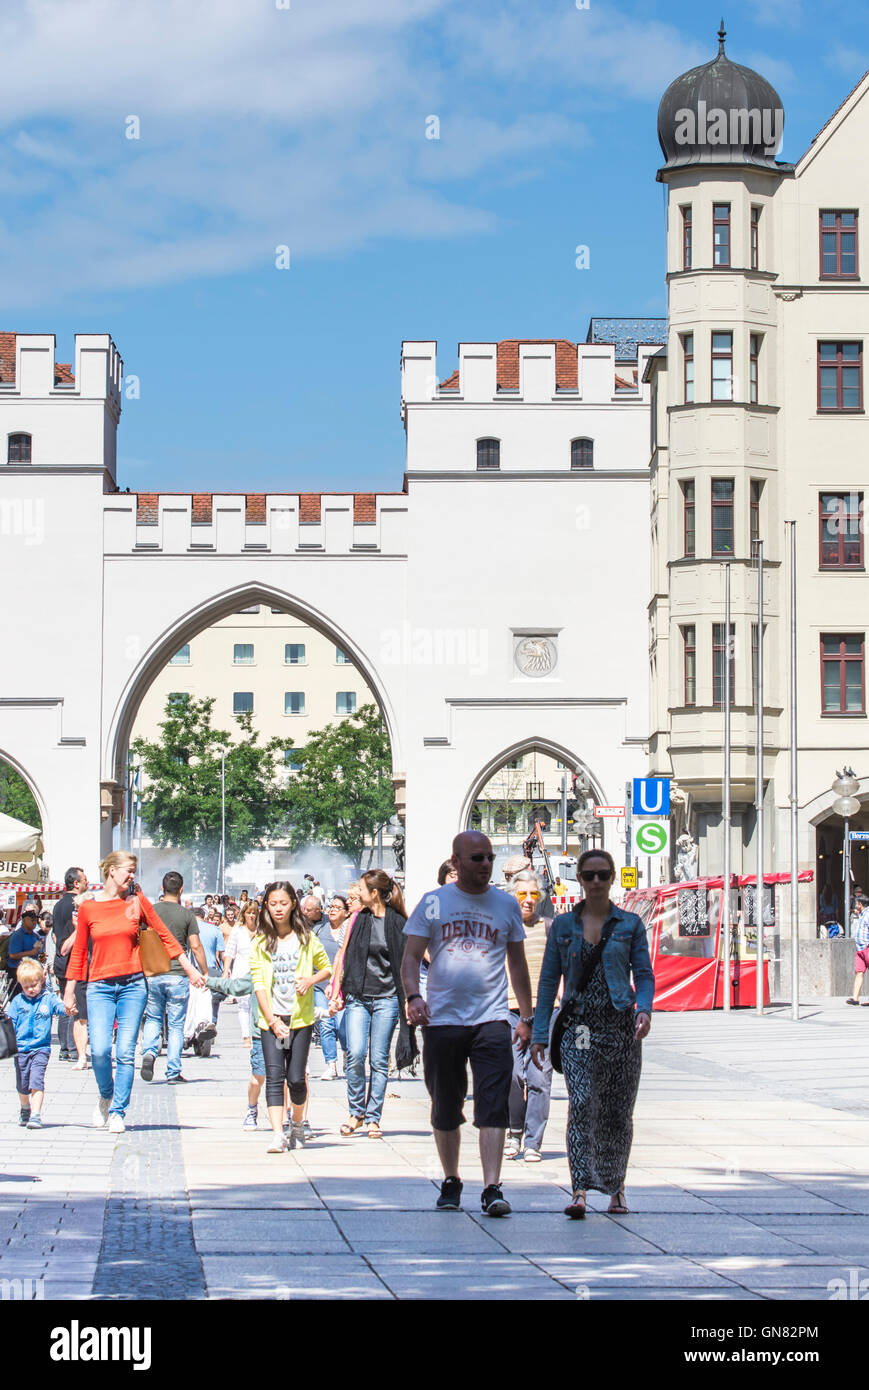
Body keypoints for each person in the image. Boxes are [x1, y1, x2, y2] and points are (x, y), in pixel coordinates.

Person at [402, 831, 533, 1217]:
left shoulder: (506, 905)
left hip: (492, 1018)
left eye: (489, 857)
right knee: (445, 1103)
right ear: (456, 862)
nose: (485, 865)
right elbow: (410, 958)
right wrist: (413, 996)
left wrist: (525, 1017)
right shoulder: (434, 903)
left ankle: (492, 1187)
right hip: (442, 1019)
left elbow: (518, 965)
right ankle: (451, 1178)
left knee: (493, 1104)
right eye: (477, 858)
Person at [531, 848, 654, 1218]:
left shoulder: (630, 925)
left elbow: (644, 974)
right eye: (589, 875)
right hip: (580, 1026)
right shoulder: (564, 926)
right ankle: (580, 1189)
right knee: (582, 1103)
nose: (596, 882)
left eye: (603, 875)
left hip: (619, 1026)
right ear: (580, 880)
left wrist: (644, 1010)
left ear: (612, 878)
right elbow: (549, 979)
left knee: (618, 1110)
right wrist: (539, 1032)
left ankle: (616, 1188)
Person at [63, 851, 205, 1133]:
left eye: (133, 871)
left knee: (126, 1051)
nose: (132, 876)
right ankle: (106, 1094)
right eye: (128, 870)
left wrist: (189, 968)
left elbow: (164, 934)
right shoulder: (90, 908)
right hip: (99, 986)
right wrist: (69, 990)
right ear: (111, 871)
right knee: (101, 1051)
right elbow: (79, 950)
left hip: (133, 985)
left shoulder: (136, 902)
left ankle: (118, 1111)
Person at [250, 881, 331, 1153]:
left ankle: (297, 1122)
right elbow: (259, 984)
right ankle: (276, 1134)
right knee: (274, 1075)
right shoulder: (260, 942)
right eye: (272, 904)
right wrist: (272, 1020)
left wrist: (310, 980)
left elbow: (327, 968)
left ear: (293, 904)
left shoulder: (306, 938)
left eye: (283, 903)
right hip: (272, 1021)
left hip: (300, 1020)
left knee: (296, 1078)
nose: (278, 909)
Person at [331, 870, 413, 1138]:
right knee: (354, 1054)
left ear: (374, 893)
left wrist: (411, 999)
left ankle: (373, 1117)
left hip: (387, 998)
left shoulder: (398, 922)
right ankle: (356, 1111)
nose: (357, 894)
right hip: (357, 996)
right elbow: (343, 954)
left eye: (362, 890)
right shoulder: (357, 920)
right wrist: (337, 991)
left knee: (378, 1059)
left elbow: (406, 964)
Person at [140, 871, 208, 1084]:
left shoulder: (151, 912)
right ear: (181, 889)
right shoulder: (186, 915)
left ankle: (149, 1052)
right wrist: (203, 971)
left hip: (154, 972)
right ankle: (173, 1071)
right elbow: (195, 946)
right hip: (178, 974)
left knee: (153, 1017)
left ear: (162, 888)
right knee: (176, 1025)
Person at [504, 873, 553, 1163]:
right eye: (522, 894)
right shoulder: (503, 929)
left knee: (539, 1077)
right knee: (512, 1073)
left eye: (534, 894)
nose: (529, 899)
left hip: (546, 1011)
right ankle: (513, 1131)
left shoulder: (549, 928)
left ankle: (533, 1141)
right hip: (508, 1010)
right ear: (512, 896)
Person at [7, 959, 73, 1128]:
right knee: (22, 1085)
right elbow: (10, 1023)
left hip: (40, 1048)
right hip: (20, 1049)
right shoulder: (17, 1002)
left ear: (41, 980)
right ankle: (25, 1107)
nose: (30, 989)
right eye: (26, 986)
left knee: (36, 1080)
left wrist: (68, 1008)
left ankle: (36, 1115)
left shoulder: (48, 999)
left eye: (34, 985)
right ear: (20, 984)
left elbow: (60, 1008)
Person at [303, 894, 346, 1080]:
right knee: (326, 1025)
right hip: (321, 985)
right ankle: (332, 1064)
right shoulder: (321, 929)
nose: (333, 909)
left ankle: (347, 1056)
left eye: (338, 907)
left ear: (346, 912)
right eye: (332, 906)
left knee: (343, 1025)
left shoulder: (349, 929)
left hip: (343, 985)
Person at [224, 900, 259, 1044]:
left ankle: (256, 1032)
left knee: (258, 1003)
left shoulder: (263, 929)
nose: (251, 915)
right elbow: (230, 951)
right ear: (244, 914)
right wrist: (226, 970)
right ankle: (246, 1036)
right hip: (242, 969)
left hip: (258, 970)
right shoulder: (237, 930)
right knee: (244, 1003)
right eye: (249, 912)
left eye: (254, 913)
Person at [6, 911, 44, 1000]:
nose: (34, 923)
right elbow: (12, 955)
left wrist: (42, 958)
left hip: (32, 971)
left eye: (35, 920)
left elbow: (39, 952)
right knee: (18, 999)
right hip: (17, 972)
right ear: (23, 920)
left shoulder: (36, 936)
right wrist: (30, 953)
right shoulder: (17, 935)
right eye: (31, 920)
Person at [503, 854, 554, 920]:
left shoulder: (542, 896)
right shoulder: (502, 898)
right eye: (507, 876)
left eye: (511, 876)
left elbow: (549, 921)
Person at [847, 892, 869, 1005]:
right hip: (860, 949)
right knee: (859, 972)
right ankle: (855, 998)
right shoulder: (862, 914)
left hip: (866, 948)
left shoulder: (868, 914)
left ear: (860, 904)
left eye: (856, 903)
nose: (855, 904)